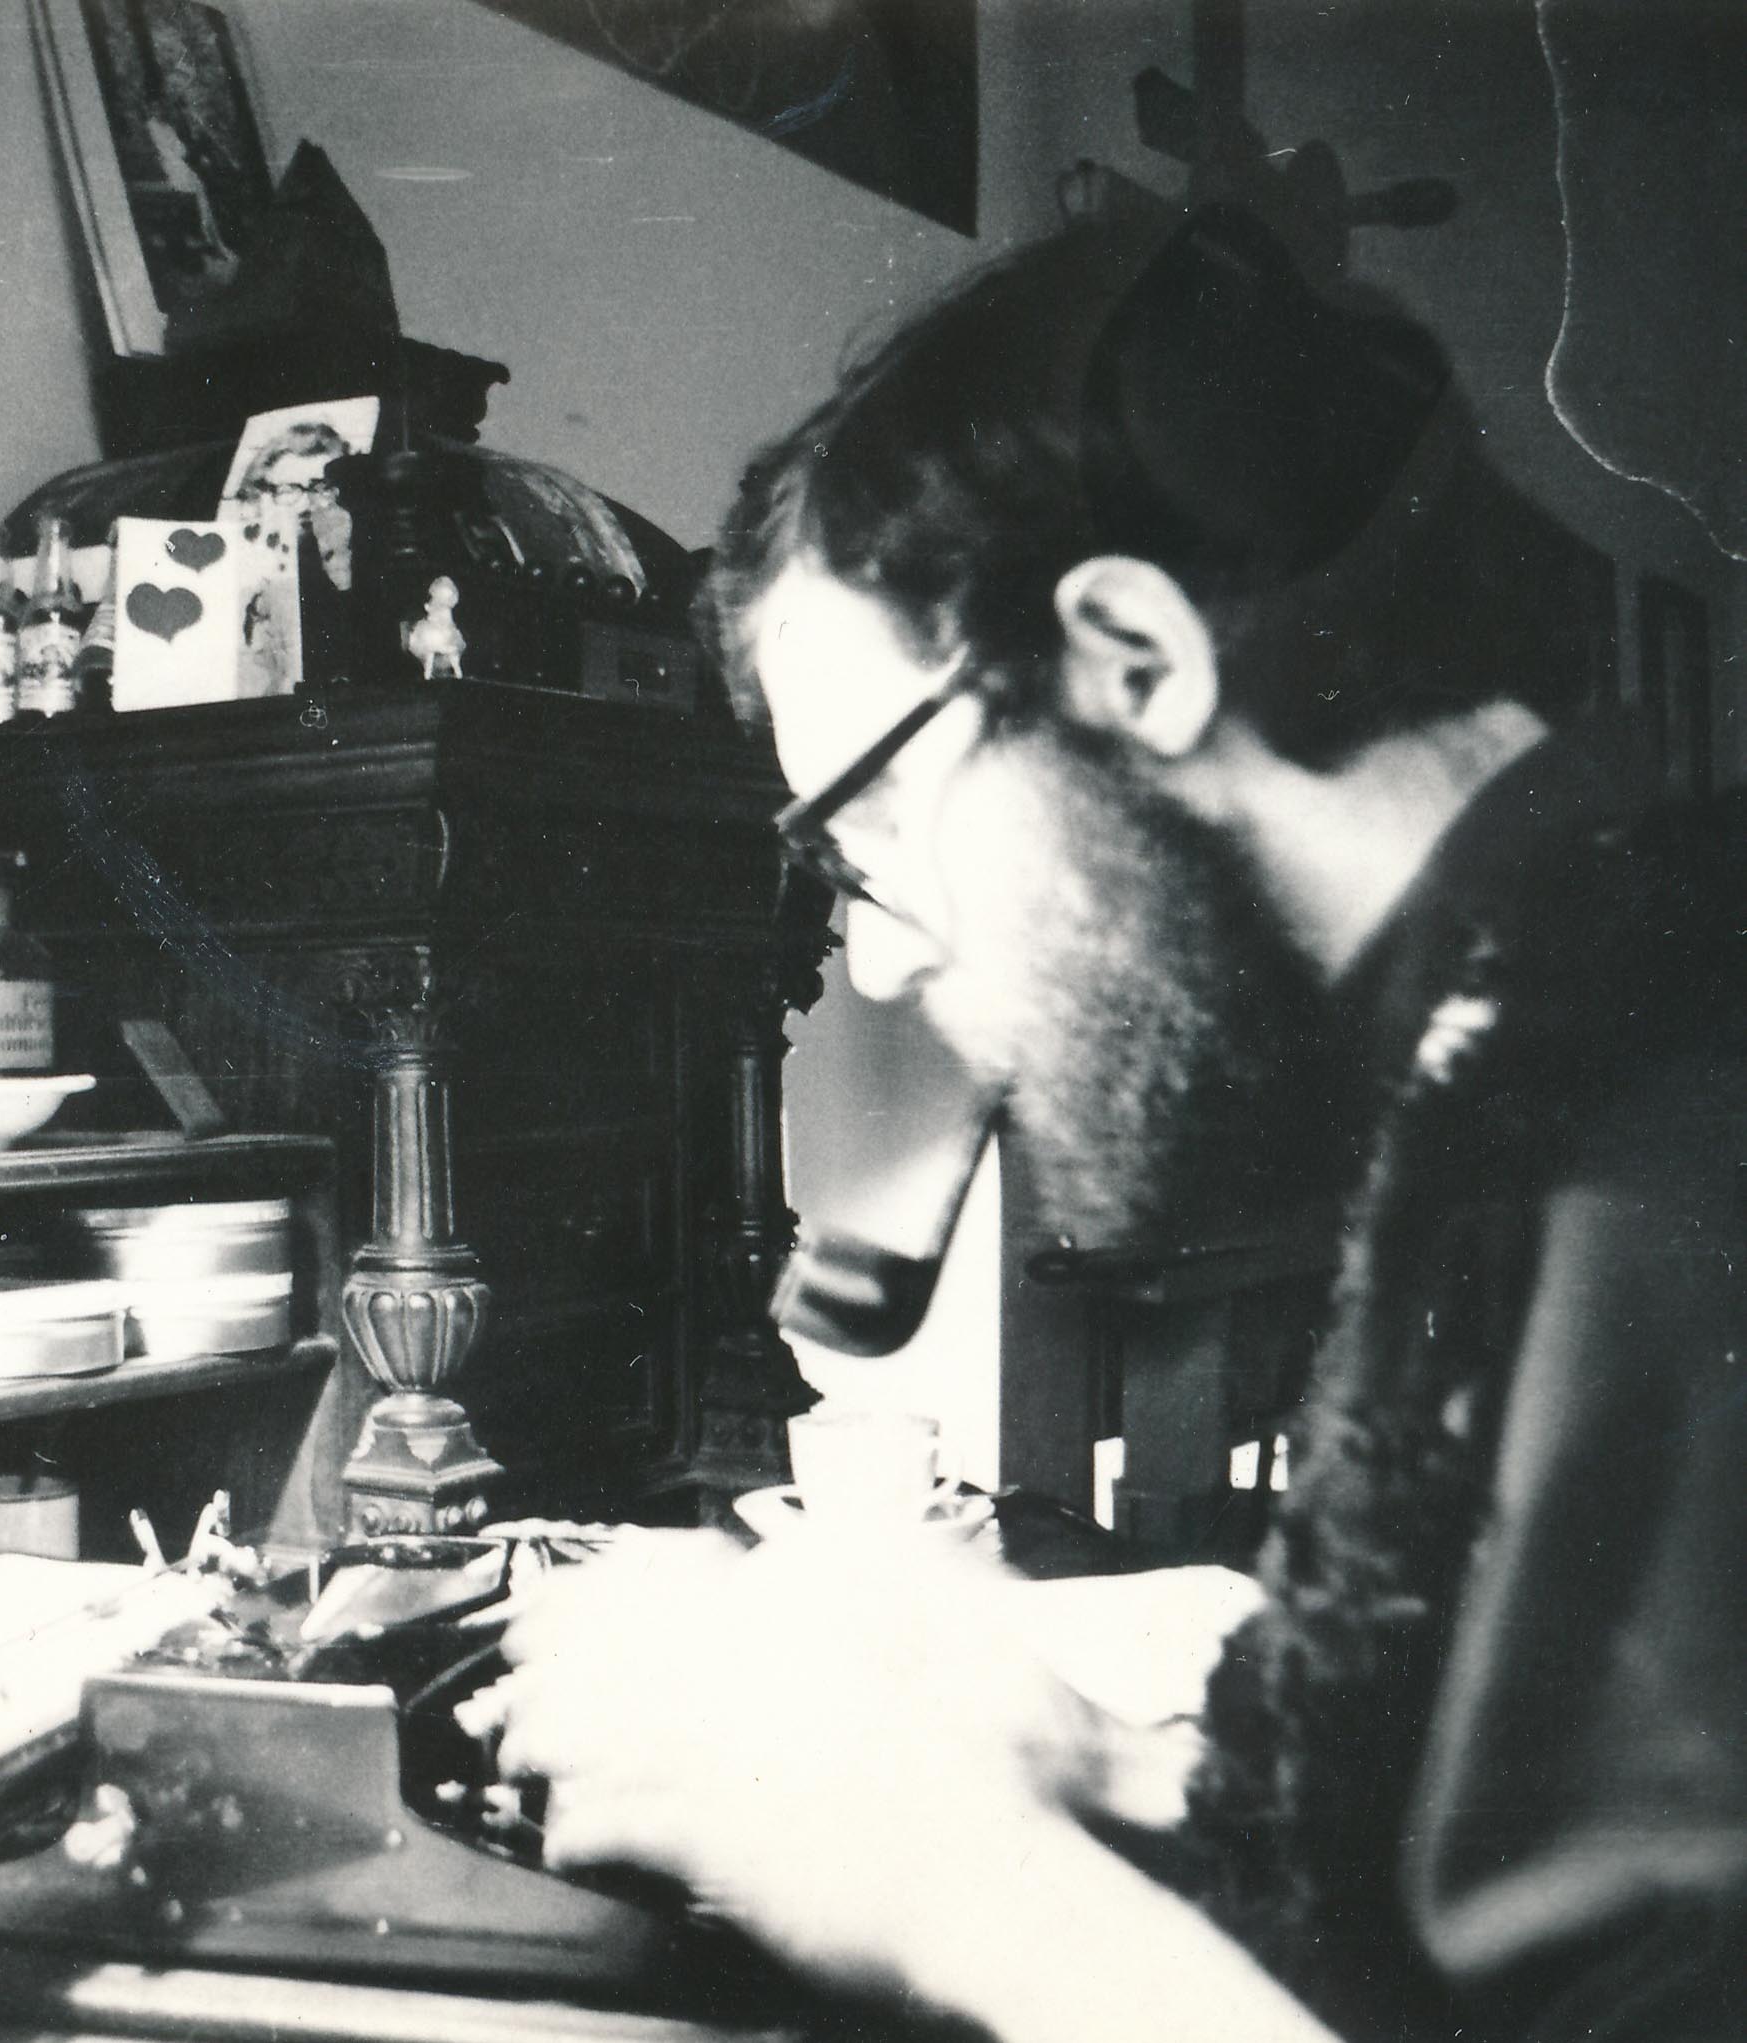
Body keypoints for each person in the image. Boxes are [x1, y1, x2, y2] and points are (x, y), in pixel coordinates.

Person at [482, 205, 1747, 2043]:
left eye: (866, 831)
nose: (880, 955)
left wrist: (946, 1874)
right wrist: (1084, 1756)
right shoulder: (1519, 1050)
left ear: (1135, 659)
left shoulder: (1671, 1143)